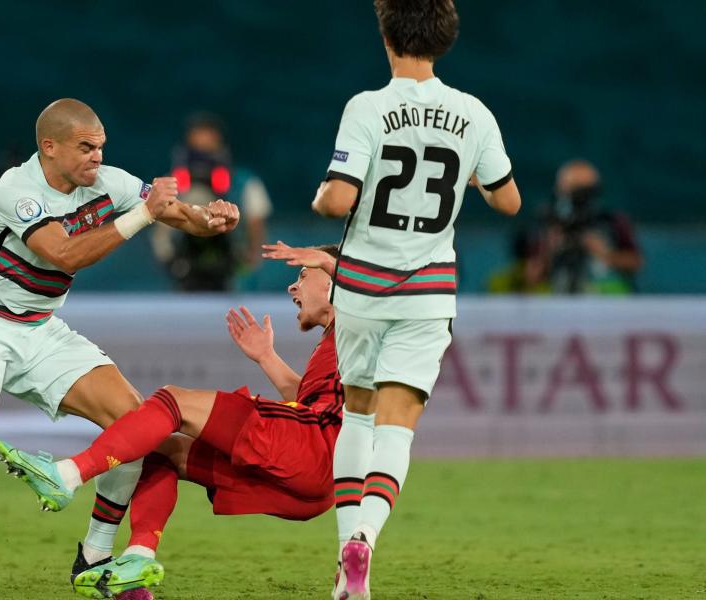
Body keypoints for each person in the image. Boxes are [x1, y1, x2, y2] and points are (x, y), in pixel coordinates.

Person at [0, 98, 240, 600]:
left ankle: (94, 559)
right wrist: (141, 217)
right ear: (50, 147)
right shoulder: (18, 191)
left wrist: (209, 220)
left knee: (133, 426)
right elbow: (63, 252)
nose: (96, 158)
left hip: (41, 327)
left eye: (101, 147)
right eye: (86, 148)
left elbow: (176, 214)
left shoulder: (109, 183)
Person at [297, 1, 522, 597]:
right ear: (444, 39)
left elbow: (338, 200)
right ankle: (364, 540)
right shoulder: (474, 114)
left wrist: (322, 198)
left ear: (387, 36)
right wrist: (469, 173)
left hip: (364, 288)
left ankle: (348, 579)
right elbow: (509, 203)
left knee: (357, 415)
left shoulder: (367, 108)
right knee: (398, 427)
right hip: (427, 292)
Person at [0, 244, 342, 598]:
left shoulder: (361, 319)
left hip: (311, 446)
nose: (292, 287)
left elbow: (381, 289)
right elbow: (310, 399)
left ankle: (68, 475)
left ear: (334, 284)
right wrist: (267, 357)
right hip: (316, 485)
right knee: (163, 448)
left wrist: (334, 265)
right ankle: (135, 558)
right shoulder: (336, 341)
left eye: (303, 275)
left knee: (173, 400)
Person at [151, 112, 273, 291]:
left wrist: (250, 262)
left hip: (231, 268)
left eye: (208, 147)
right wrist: (170, 262)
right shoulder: (171, 182)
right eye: (197, 149)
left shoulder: (244, 182)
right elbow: (160, 231)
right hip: (185, 266)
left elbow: (256, 226)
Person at [540, 159, 643, 294]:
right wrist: (550, 251)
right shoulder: (552, 223)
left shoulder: (610, 222)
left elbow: (637, 262)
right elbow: (533, 274)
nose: (577, 199)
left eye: (582, 192)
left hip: (608, 302)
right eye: (571, 191)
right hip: (562, 300)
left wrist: (606, 254)